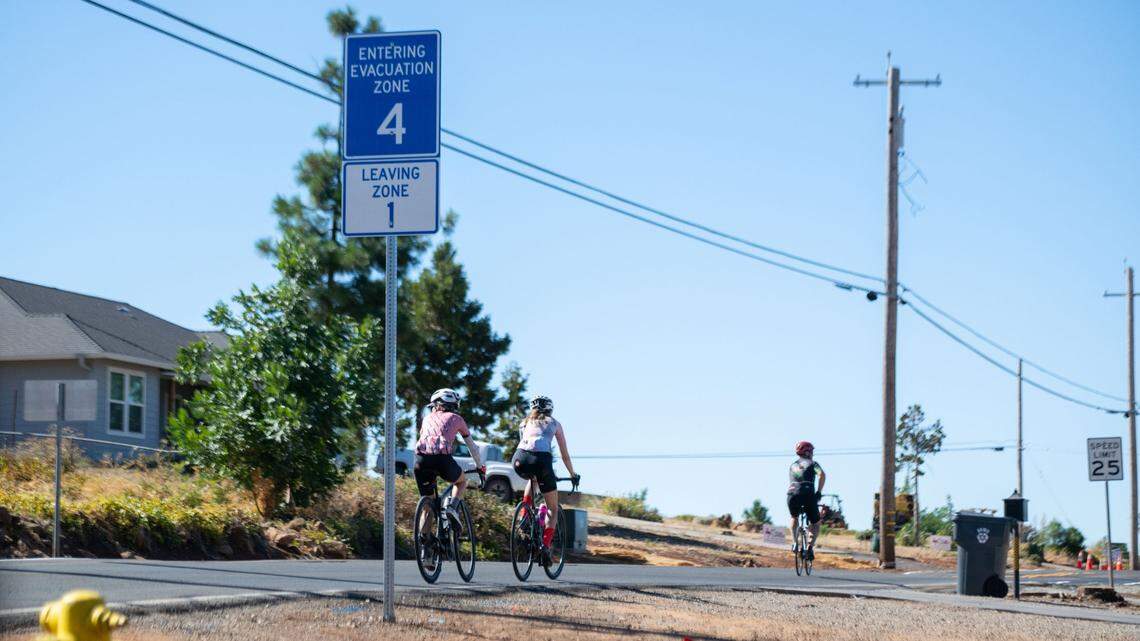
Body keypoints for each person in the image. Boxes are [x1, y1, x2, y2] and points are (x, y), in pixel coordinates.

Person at [511, 395, 579, 561]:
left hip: (519, 459)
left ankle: (524, 514)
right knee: (553, 509)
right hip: (541, 461)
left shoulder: (524, 422)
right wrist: (572, 474)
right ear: (550, 409)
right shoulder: (554, 423)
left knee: (532, 479)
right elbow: (564, 455)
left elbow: (526, 446)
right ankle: (545, 546)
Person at [413, 388, 485, 524]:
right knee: (461, 481)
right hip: (441, 460)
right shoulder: (457, 419)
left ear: (436, 405)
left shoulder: (426, 419)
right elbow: (472, 447)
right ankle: (452, 507)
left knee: (428, 508)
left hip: (420, 461)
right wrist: (479, 466)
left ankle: (424, 541)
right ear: (453, 406)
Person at [787, 440, 825, 558]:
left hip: (792, 494)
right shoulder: (813, 464)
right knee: (816, 523)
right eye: (812, 451)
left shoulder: (792, 465)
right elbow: (822, 475)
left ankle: (794, 543)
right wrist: (818, 492)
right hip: (808, 494)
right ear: (808, 452)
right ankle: (809, 548)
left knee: (794, 517)